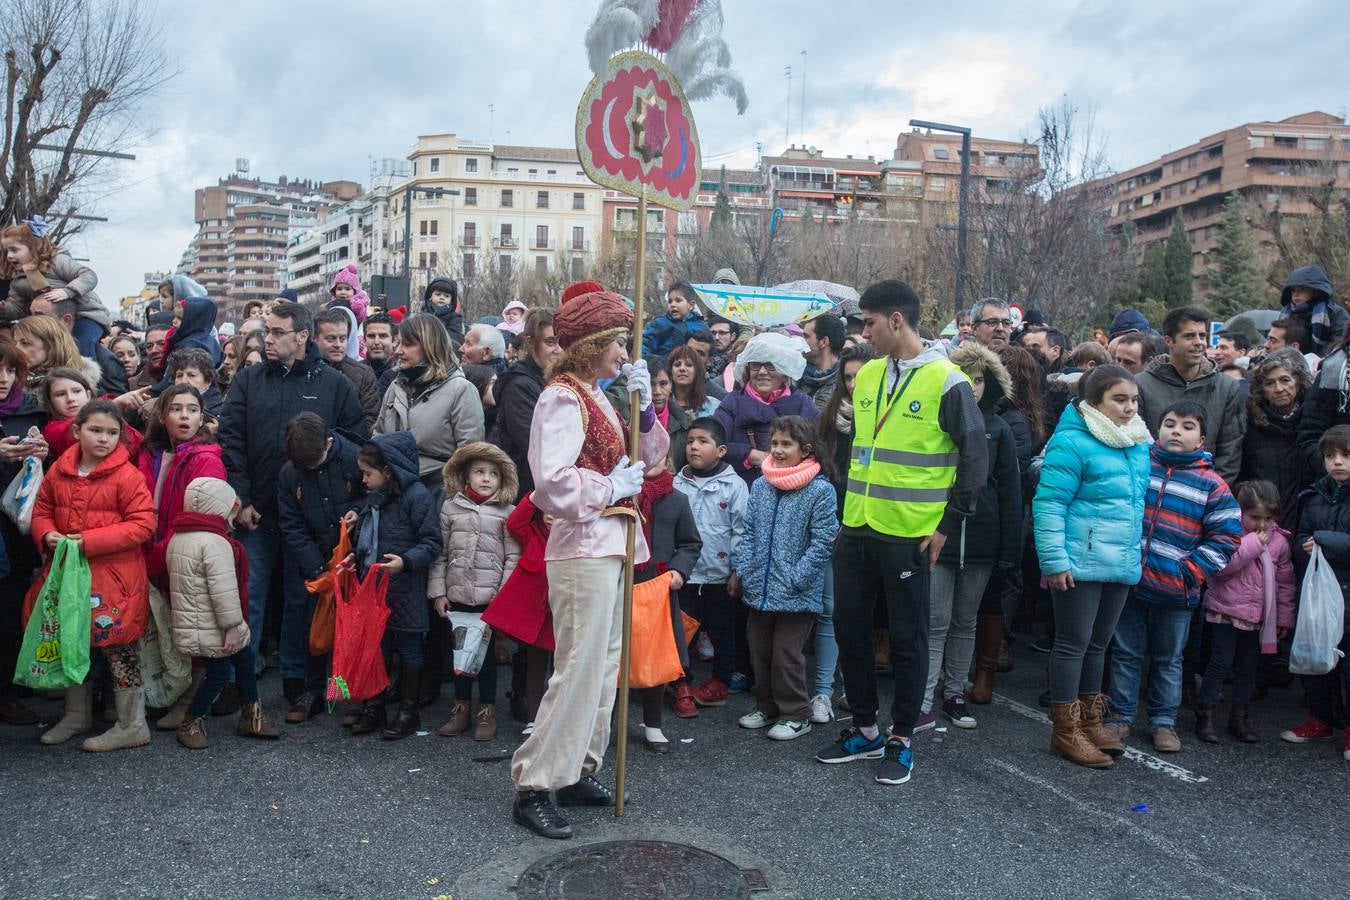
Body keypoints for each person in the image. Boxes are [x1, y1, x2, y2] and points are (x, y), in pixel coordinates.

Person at [509, 288, 668, 840]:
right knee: (579, 666)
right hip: (582, 547)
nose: (625, 354)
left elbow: (650, 461)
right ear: (594, 345)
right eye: (619, 344)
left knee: (604, 666)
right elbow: (551, 483)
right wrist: (609, 485)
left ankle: (577, 765)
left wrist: (645, 413)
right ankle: (535, 782)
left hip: (613, 543)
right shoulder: (561, 398)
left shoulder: (597, 395)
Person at [816, 280, 988, 787]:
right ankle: (865, 728)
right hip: (858, 524)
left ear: (896, 320)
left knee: (909, 640)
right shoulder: (867, 375)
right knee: (850, 628)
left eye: (868, 323)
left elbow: (975, 462)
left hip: (911, 533)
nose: (862, 334)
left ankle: (901, 737)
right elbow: (859, 450)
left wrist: (946, 526)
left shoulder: (947, 380)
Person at [218, 300, 367, 717]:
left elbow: (352, 445)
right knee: (250, 598)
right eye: (266, 331)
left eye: (277, 332)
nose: (268, 339)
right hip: (258, 513)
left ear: (302, 336)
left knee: (301, 602)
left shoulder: (334, 384)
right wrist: (242, 497)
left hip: (311, 518)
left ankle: (298, 686)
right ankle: (236, 684)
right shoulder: (248, 380)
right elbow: (231, 440)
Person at [1104, 400, 1241, 754]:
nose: (1176, 430)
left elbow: (1227, 536)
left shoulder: (1212, 484)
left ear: (1201, 440)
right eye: (1169, 423)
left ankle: (1164, 722)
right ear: (1157, 429)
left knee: (1168, 659)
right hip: (1131, 582)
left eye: (1187, 426)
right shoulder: (1139, 465)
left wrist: (1190, 571)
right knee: (1126, 653)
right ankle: (1120, 717)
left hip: (1177, 591)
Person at [1033, 365, 1152, 768]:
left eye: (1134, 400)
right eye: (1120, 399)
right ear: (1094, 402)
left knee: (1099, 645)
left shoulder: (1136, 442)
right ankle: (1065, 732)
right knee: (1073, 644)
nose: (1129, 407)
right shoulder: (1072, 441)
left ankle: (1090, 721)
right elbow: (1049, 504)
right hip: (1078, 563)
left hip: (1118, 562)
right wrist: (1054, 560)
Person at [31, 400, 156, 751]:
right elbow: (41, 509)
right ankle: (76, 714)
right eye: (95, 430)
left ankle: (132, 724)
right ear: (77, 431)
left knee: (118, 647)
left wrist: (87, 541)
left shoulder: (127, 476)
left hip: (115, 579)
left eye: (112, 433)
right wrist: (46, 534)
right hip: (70, 577)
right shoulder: (59, 470)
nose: (104, 438)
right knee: (74, 642)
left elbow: (143, 524)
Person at [918, 343, 1022, 732]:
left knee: (966, 621)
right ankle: (923, 697)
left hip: (981, 544)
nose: (973, 386)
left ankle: (955, 692)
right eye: (966, 378)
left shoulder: (1000, 430)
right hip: (938, 539)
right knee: (934, 622)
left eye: (980, 379)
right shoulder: (936, 423)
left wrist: (1009, 551)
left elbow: (1011, 493)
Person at [732, 415, 838, 742]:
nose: (777, 450)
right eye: (774, 443)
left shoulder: (820, 490)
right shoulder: (762, 485)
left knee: (786, 656)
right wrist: (746, 568)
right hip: (760, 588)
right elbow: (749, 531)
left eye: (786, 444)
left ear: (805, 450)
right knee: (759, 650)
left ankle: (796, 713)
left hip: (796, 591)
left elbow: (824, 540)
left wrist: (797, 576)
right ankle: (767, 707)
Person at [166, 477, 280, 748]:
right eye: (230, 511)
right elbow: (224, 591)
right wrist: (233, 625)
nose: (232, 518)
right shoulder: (216, 544)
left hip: (197, 622)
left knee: (245, 660)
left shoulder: (179, 538)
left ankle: (252, 715)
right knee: (218, 673)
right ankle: (190, 721)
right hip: (219, 626)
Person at [343, 432, 443, 739]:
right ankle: (375, 708)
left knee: (410, 648)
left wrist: (406, 561)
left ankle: (408, 712)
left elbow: (432, 541)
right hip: (374, 585)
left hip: (404, 586)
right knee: (376, 649)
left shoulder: (417, 497)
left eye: (368, 473)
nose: (363, 480)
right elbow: (366, 540)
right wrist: (352, 556)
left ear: (388, 471)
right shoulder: (372, 500)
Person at [429, 442, 520, 742]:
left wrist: (504, 599)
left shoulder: (507, 513)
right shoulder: (450, 508)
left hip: (489, 600)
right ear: (465, 476)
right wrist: (439, 592)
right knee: (460, 657)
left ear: (502, 479)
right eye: (479, 472)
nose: (486, 478)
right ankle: (461, 708)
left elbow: (512, 559)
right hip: (458, 596)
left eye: (493, 473)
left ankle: (487, 711)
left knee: (486, 659)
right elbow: (440, 554)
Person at [1195, 480, 1296, 744]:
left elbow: (1285, 583)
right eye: (1254, 517)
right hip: (1225, 610)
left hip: (1258, 617)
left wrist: (1284, 618)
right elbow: (1222, 567)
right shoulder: (1230, 533)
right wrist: (1252, 544)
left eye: (1267, 518)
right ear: (1241, 512)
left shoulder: (1280, 543)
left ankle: (1239, 718)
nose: (1261, 525)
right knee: (1220, 663)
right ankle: (1205, 715)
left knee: (1248, 668)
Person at [673, 416, 749, 714]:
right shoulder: (678, 483)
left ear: (720, 450)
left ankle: (720, 682)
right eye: (690, 441)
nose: (694, 447)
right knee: (683, 633)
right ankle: (680, 683)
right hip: (685, 576)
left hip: (720, 578)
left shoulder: (735, 486)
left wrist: (737, 571)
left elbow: (743, 530)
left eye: (703, 441)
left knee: (722, 633)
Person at [1281, 424, 1350, 751]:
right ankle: (1320, 719)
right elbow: (1299, 536)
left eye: (1346, 455)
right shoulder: (1314, 495)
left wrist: (1323, 540)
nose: (1337, 462)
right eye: (1330, 455)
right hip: (1319, 593)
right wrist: (1303, 546)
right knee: (1315, 659)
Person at [630, 458, 701, 753]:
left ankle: (653, 724)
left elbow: (690, 543)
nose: (649, 461)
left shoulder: (677, 500)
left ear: (668, 461)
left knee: (654, 659)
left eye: (657, 455)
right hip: (619, 585)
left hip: (658, 588)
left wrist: (678, 570)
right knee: (612, 658)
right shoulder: (618, 494)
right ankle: (601, 724)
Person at [1135, 306, 1245, 484]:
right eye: (1189, 336)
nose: (1199, 342)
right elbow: (1136, 447)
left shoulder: (1227, 387)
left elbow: (1230, 452)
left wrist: (1209, 494)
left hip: (1203, 495)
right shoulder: (1141, 385)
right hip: (1151, 490)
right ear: (1169, 340)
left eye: (1202, 336)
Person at [376, 312, 484, 489]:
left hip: (438, 492)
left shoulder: (461, 390)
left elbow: (470, 455)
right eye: (399, 343)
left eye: (408, 344)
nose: (398, 351)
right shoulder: (395, 386)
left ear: (430, 346)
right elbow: (379, 436)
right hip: (394, 488)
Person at [0, 341, 48, 726]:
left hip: (16, 530)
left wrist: (42, 452)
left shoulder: (30, 411)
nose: (4, 379)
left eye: (11, 370)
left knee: (11, 608)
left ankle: (7, 691)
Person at [714, 332, 820, 487]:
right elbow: (714, 442)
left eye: (771, 365)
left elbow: (819, 448)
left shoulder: (803, 404)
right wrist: (751, 455)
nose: (762, 372)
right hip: (742, 490)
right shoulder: (732, 403)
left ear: (785, 371)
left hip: (795, 488)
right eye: (756, 365)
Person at [0, 219, 111, 356]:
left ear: (33, 247)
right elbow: (18, 308)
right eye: (6, 252)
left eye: (14, 250)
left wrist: (67, 291)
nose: (9, 256)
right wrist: (5, 309)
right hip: (52, 324)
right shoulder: (18, 280)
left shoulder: (56, 261)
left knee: (80, 348)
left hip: (86, 315)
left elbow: (88, 276)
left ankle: (85, 376)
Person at [490, 309, 561, 500]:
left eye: (563, 342)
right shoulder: (520, 386)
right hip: (527, 493)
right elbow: (536, 445)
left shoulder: (553, 379)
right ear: (530, 343)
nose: (558, 350)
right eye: (550, 342)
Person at [1240, 349, 1313, 528]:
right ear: (1261, 390)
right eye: (1270, 383)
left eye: (1285, 380)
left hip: (1304, 523)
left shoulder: (1312, 426)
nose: (1279, 389)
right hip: (1262, 526)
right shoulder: (1251, 427)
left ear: (1298, 383)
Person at [313, 308, 380, 429]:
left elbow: (370, 419)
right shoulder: (304, 371)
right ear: (315, 339)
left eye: (342, 339)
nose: (338, 345)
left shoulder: (364, 374)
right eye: (331, 338)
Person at [12, 314, 102, 393]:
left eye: (25, 343)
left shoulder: (82, 387)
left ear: (51, 345)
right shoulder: (10, 381)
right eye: (15, 343)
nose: (16, 349)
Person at [1278, 264, 1344, 357]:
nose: (1296, 294)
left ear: (1316, 291)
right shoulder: (1286, 314)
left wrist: (1317, 361)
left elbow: (1340, 341)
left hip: (1323, 364)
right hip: (1289, 364)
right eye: (1293, 290)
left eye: (1302, 289)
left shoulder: (1334, 312)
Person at [642, 281, 709, 358]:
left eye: (678, 300)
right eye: (670, 301)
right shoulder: (661, 324)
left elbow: (709, 350)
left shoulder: (701, 326)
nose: (673, 305)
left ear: (691, 305)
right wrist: (655, 364)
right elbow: (645, 345)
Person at [647, 357, 691, 472]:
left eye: (663, 384)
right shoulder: (628, 419)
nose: (657, 391)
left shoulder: (685, 423)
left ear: (671, 385)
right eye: (651, 384)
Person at [800, 313, 845, 410]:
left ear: (823, 341)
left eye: (806, 336)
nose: (801, 341)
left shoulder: (846, 382)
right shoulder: (796, 378)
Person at [165, 348, 225, 418]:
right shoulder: (163, 405)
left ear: (208, 381)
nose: (184, 381)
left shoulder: (219, 412)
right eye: (179, 375)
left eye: (192, 375)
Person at [666, 345, 720, 419]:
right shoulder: (661, 404)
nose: (682, 368)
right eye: (677, 365)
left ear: (697, 371)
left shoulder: (714, 406)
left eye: (689, 365)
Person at [362, 313, 399, 395]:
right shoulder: (354, 373)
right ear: (364, 340)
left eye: (382, 336)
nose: (376, 342)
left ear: (394, 341)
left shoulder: (402, 374)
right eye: (371, 336)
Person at [423, 277, 465, 347]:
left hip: (444, 352)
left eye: (446, 296)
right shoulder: (422, 315)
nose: (442, 297)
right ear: (430, 296)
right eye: (438, 294)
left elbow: (454, 338)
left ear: (452, 300)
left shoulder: (455, 318)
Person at [463, 364, 498, 438]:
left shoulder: (495, 417)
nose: (497, 387)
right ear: (478, 384)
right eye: (492, 383)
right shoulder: (465, 417)